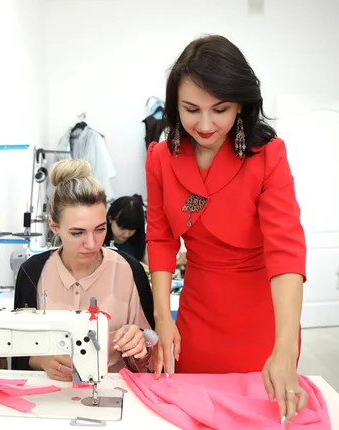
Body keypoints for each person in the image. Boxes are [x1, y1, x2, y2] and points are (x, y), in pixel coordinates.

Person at [146, 34, 307, 426]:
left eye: (220, 109)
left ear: (241, 104)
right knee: (192, 414)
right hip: (197, 316)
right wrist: (162, 316)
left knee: (258, 416)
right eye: (190, 109)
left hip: (262, 319)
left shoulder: (267, 156)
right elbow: (161, 236)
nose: (204, 124)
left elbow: (285, 250)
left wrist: (284, 348)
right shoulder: (161, 158)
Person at [12, 159, 156, 379]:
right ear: (54, 226)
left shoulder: (130, 271)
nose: (92, 243)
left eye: (100, 229)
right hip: (50, 398)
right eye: (77, 233)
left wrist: (140, 345)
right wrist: (44, 361)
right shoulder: (32, 274)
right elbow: (18, 352)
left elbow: (152, 356)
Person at [104, 195, 146, 262]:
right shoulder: (98, 240)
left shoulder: (143, 244)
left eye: (132, 229)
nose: (127, 234)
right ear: (110, 219)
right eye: (122, 228)